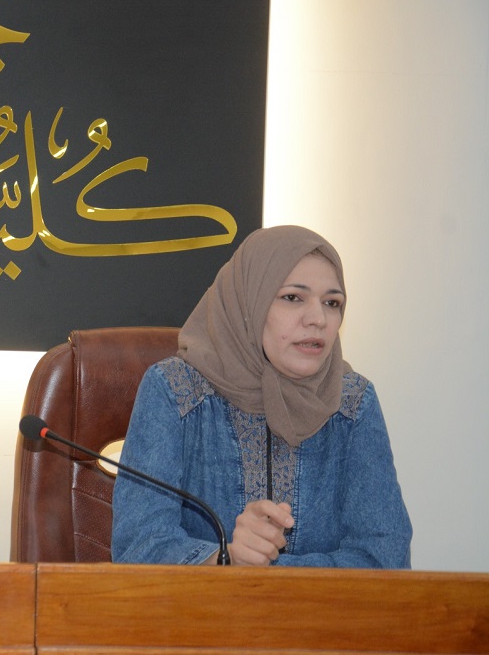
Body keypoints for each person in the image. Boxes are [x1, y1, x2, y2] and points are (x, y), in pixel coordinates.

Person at [111, 225, 411, 568]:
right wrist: (224, 560)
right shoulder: (176, 391)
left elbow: (386, 558)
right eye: (293, 297)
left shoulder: (352, 402)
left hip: (320, 606)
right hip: (200, 605)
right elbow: (138, 546)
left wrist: (268, 574)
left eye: (332, 303)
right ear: (248, 302)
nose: (318, 319)